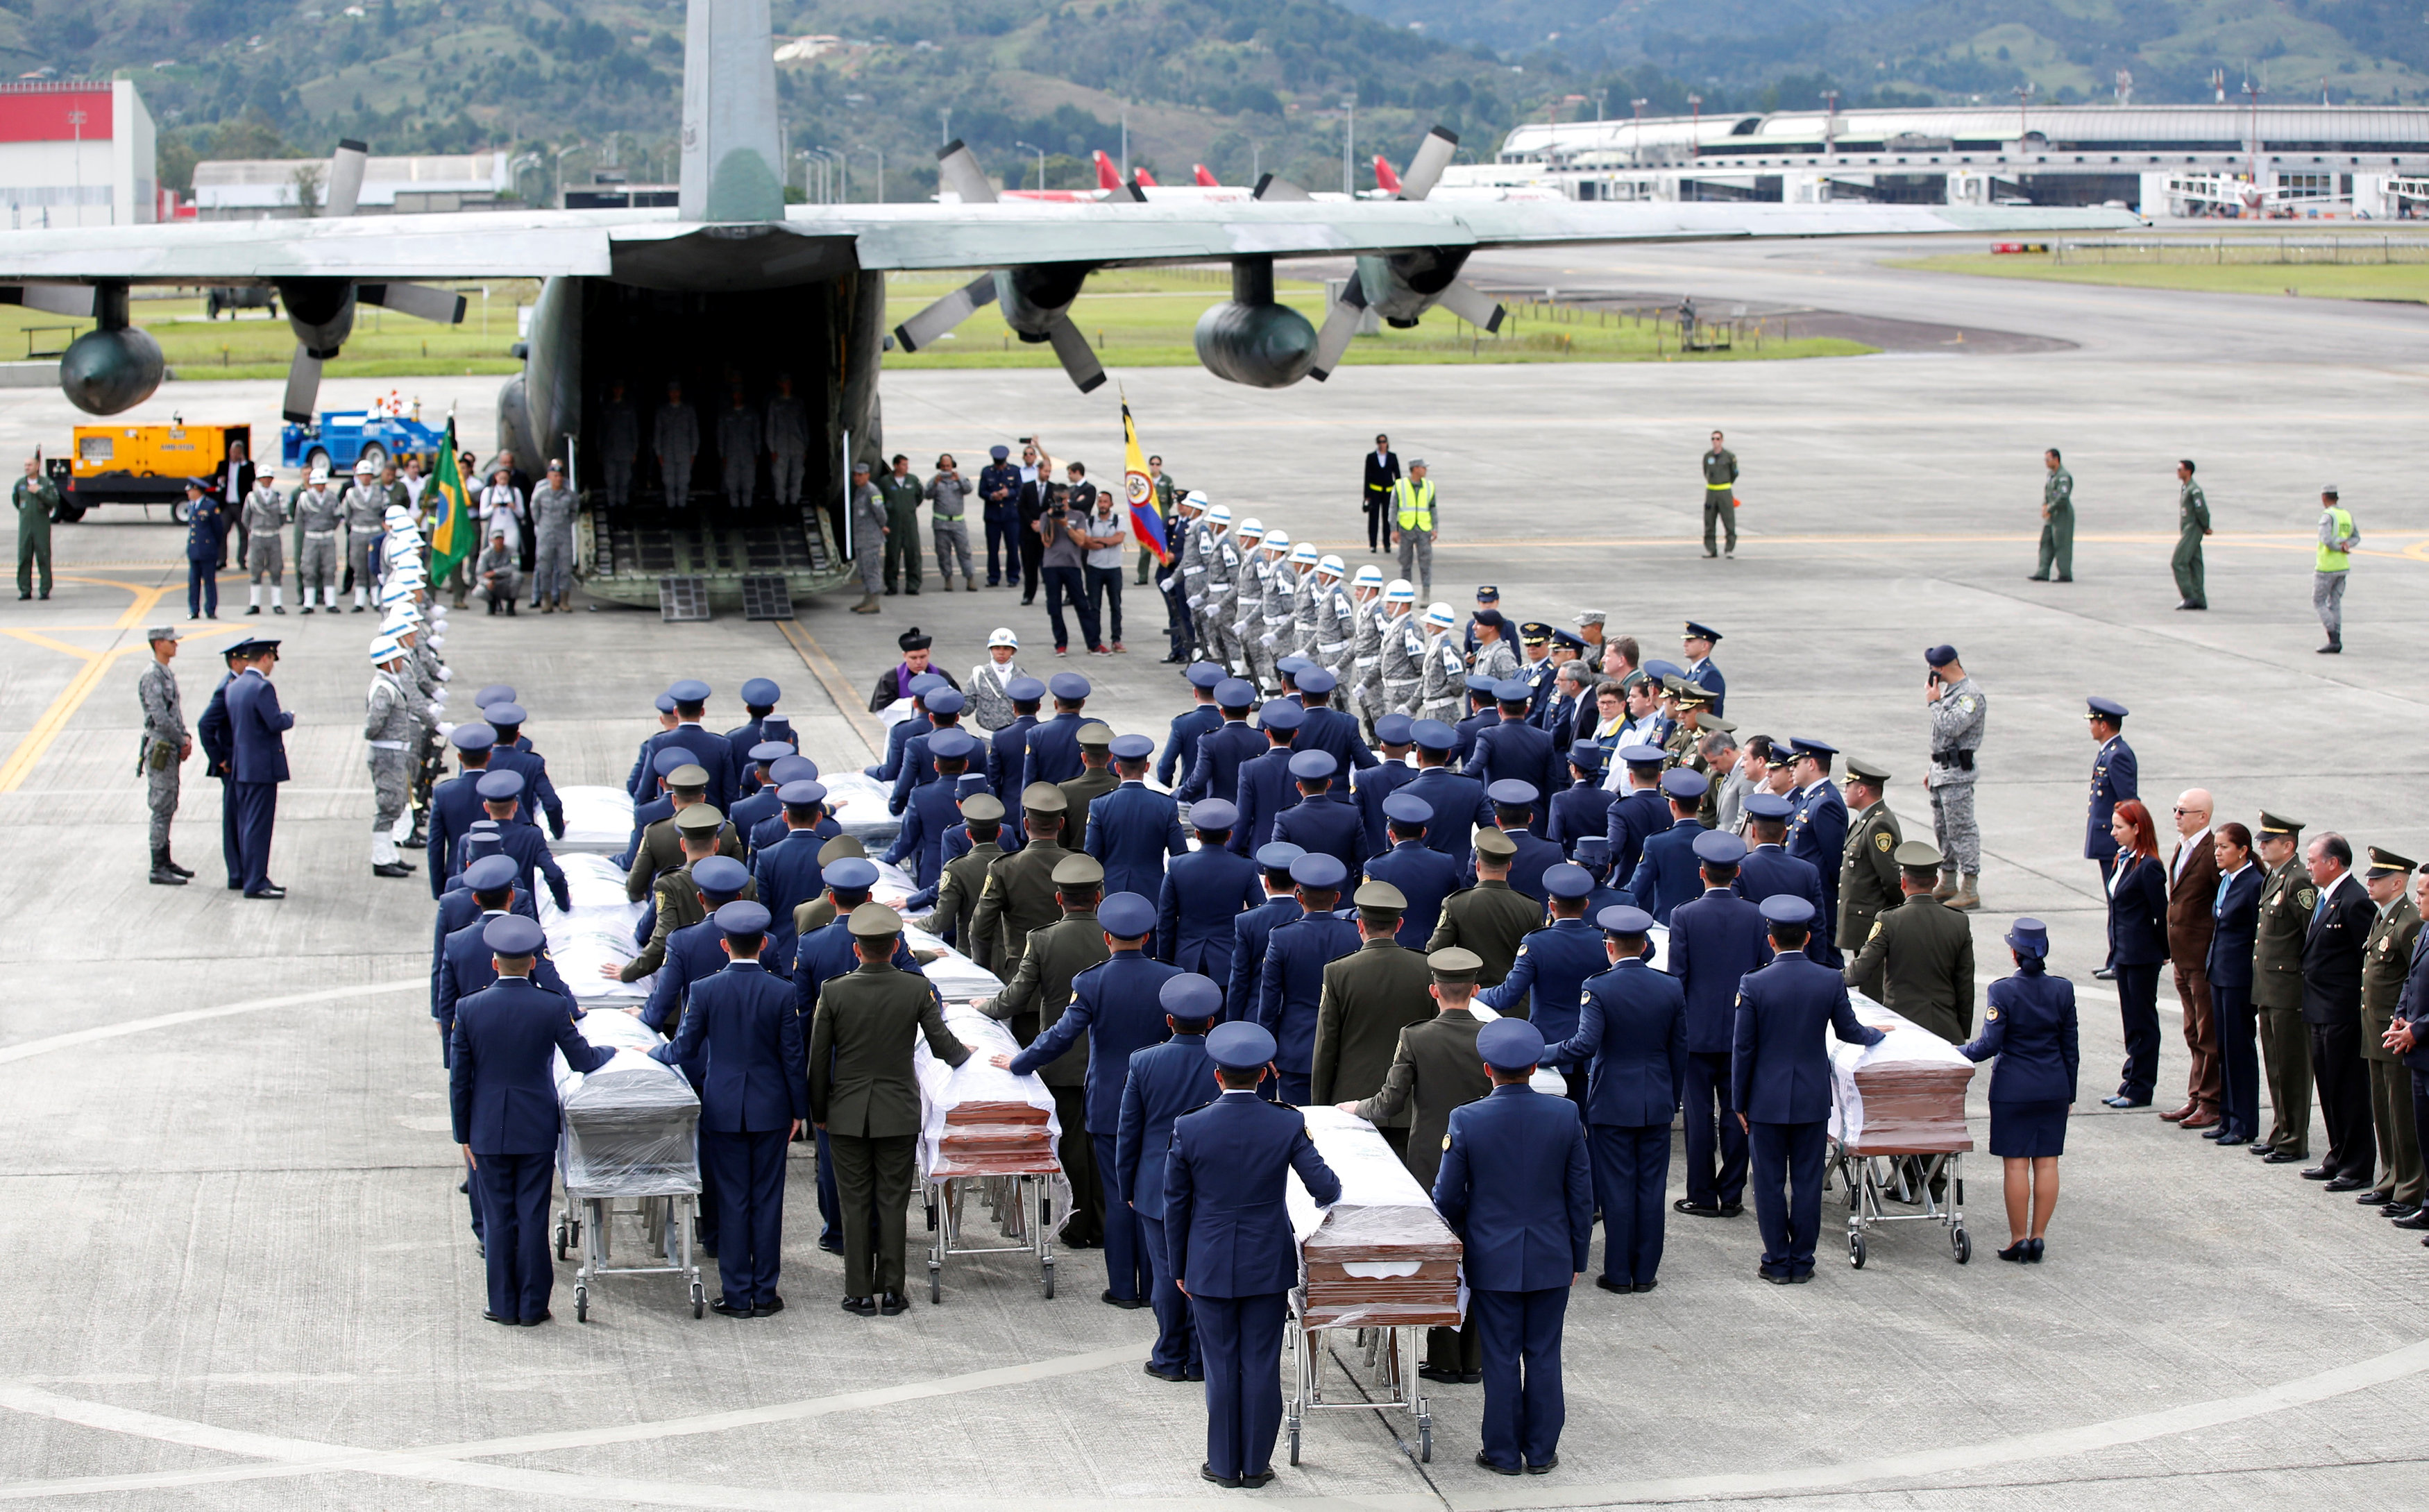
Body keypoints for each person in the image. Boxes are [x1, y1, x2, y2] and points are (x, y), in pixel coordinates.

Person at [1164, 1021, 1341, 1488]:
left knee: (1220, 1364)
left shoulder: (1189, 1125)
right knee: (1261, 1364)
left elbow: (1175, 1204)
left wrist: (1178, 1266)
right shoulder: (1285, 1121)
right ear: (1264, 1074)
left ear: (1217, 1075)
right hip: (1267, 1260)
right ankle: (1257, 1465)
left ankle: (1223, 1465)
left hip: (1209, 1260)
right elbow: (1325, 1186)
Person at [1432, 1017, 1592, 1477]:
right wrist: (1577, 1256)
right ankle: (1541, 1451)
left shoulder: (1467, 1119)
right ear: (1535, 1066)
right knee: (1543, 1352)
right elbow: (1581, 1196)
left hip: (1492, 1256)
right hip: (1550, 1255)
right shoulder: (1564, 1115)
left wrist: (1467, 1237)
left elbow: (1446, 1197)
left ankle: (1501, 1452)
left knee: (1500, 1355)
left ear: (1488, 1069)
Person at [1338, 937, 1490, 1379]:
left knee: (1443, 1253)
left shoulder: (1416, 1037)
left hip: (1432, 1160)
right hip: (1484, 1158)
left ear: (1434, 990)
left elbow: (1387, 1104)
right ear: (1476, 990)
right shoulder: (1490, 1038)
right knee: (1479, 1253)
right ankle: (1473, 1359)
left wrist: (1354, 1108)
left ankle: (1443, 1355)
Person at [451, 915, 613, 1325]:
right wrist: (611, 1051)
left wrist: (462, 1135)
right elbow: (584, 1059)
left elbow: (460, 1080)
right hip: (535, 1127)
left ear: (494, 963)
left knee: (498, 1218)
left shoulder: (468, 1008)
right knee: (532, 1214)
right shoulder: (551, 1005)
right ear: (532, 963)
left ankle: (502, 1306)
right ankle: (533, 1305)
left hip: (487, 1128)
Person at [810, 903, 972, 1314]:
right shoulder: (915, 988)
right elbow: (943, 1046)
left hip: (845, 1112)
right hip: (897, 1110)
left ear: (856, 950)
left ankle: (859, 1291)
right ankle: (894, 1290)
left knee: (855, 1203)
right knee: (893, 1201)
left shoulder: (834, 990)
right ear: (896, 945)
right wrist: (966, 1054)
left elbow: (817, 1062)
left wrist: (818, 1112)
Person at [650, 901, 802, 1316]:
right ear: (764, 944)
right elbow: (792, 1057)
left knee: (733, 1200)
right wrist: (798, 1110)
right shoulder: (782, 991)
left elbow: (683, 1048)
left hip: (723, 1107)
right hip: (771, 1108)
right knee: (767, 1200)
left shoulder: (705, 989)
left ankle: (736, 1294)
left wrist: (652, 1052)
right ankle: (765, 1291)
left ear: (724, 944)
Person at [1734, 896, 1885, 1282]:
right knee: (1806, 1182)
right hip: (1811, 1097)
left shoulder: (1754, 983)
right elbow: (1850, 1031)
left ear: (1771, 940)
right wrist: (1877, 1036)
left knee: (1768, 1183)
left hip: (1764, 1099)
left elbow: (1744, 1049)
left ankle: (1777, 1260)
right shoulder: (1829, 978)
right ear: (1806, 938)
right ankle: (1802, 1261)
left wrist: (1739, 1101)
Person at [985, 854, 1112, 1245]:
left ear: (1059, 899)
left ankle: (1076, 1225)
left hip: (1062, 1060)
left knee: (1071, 1144)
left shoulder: (1042, 939)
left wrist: (983, 1007)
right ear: (1100, 896)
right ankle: (1107, 1225)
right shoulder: (1116, 936)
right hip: (1106, 1062)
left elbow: (1016, 997)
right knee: (1106, 1145)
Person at [1117, 975, 1221, 1382]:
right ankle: (1198, 1360)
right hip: (1209, 1185)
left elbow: (1130, 1132)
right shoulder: (1224, 1063)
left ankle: (1168, 1356)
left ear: (1169, 1019)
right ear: (1211, 1022)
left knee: (1165, 1273)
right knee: (1200, 1273)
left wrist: (1128, 1186)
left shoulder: (1143, 1062)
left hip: (1155, 1184)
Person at [1956, 918, 2079, 1262]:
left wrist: (1955, 1053)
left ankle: (2017, 1238)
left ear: (2014, 953)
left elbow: (1987, 1045)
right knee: (2047, 1162)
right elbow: (2071, 1048)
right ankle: (2038, 1236)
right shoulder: (2063, 990)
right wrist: (2069, 1091)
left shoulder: (2003, 990)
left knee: (2015, 1166)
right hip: (2054, 1085)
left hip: (2013, 1088)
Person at [1663, 837, 1764, 1219]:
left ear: (1701, 872)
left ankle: (1702, 1194)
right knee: (1737, 1111)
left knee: (1699, 1116)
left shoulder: (1685, 915)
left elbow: (1678, 978)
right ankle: (1732, 1192)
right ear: (1737, 873)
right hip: (1743, 1033)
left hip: (1697, 1032)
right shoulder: (1757, 916)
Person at [1844, 839, 1977, 1044]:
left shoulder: (1889, 920)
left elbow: (1858, 973)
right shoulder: (1959, 921)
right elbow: (1965, 984)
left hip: (1902, 1028)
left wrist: (1825, 979)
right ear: (1935, 882)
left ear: (1903, 883)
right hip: (1945, 1029)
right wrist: (1961, 1031)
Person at [2301, 832, 2378, 1189]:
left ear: (2333, 863)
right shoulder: (2326, 898)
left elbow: (2369, 960)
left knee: (2349, 1090)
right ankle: (2337, 1155)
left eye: (2313, 860)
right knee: (2329, 1088)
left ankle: (2357, 1165)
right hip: (2319, 1010)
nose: (2308, 866)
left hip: (2342, 1013)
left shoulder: (2354, 901)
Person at [2360, 849, 2423, 1218]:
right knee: (2383, 1111)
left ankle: (2411, 1187)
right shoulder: (2384, 917)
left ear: (2398, 883)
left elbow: (2412, 981)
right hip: (2378, 1029)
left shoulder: (2410, 922)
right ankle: (2390, 1180)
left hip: (2397, 1032)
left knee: (2401, 1113)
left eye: (2377, 879)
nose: (2370, 883)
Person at [2251, 811, 2315, 1164]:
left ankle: (2294, 1139)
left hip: (2289, 990)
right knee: (2276, 1065)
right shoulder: (2275, 877)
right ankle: (2281, 1131)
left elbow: (2312, 936)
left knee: (2292, 1068)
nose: (2262, 845)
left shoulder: (2298, 881)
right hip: (2270, 988)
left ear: (2288, 845)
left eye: (2268, 841)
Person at [2099, 801, 2169, 1109]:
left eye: (2120, 827)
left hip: (2142, 955)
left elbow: (2161, 912)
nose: (2113, 832)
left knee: (2143, 1022)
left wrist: (2163, 951)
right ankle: (2129, 1079)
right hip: (2124, 954)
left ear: (2137, 829)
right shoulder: (2123, 860)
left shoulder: (2149, 866)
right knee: (2131, 1021)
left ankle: (2141, 1087)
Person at [2163, 790, 2222, 1130]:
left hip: (2202, 959)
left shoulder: (2212, 852)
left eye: (2183, 811)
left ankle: (2211, 1101)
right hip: (2182, 958)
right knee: (2191, 1030)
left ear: (2203, 817)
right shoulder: (2184, 847)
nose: (2176, 816)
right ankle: (2197, 1095)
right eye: (2176, 810)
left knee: (2207, 1032)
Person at [2208, 822, 2265, 1148]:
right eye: (2216, 847)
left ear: (2242, 850)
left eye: (2224, 847)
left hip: (2239, 978)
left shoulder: (2252, 883)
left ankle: (2244, 1122)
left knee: (2240, 1048)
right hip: (2219, 973)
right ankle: (2228, 1116)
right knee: (2225, 1049)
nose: (2217, 852)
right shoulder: (2227, 881)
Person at [224, 637, 293, 899]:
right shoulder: (262, 688)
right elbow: (274, 722)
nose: (272, 666)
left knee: (247, 824)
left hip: (243, 767)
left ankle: (250, 875)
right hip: (261, 767)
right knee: (258, 826)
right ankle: (256, 882)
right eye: (272, 660)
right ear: (265, 658)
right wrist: (290, 717)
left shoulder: (235, 686)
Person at [1922, 645, 1986, 908]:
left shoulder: (1970, 695)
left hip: (1958, 775)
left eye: (1934, 669)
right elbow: (1942, 739)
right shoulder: (1951, 693)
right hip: (1943, 773)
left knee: (1961, 830)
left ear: (1943, 668)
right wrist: (1933, 770)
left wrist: (1934, 703)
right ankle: (1947, 881)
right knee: (1943, 830)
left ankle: (1969, 887)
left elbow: (1952, 726)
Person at [1087, 734, 1187, 898]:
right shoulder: (1166, 805)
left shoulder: (1100, 805)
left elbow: (1092, 856)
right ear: (1147, 767)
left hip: (1111, 892)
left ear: (1118, 768)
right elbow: (1179, 856)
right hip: (1152, 892)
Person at [364, 636, 431, 879]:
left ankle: (390, 855)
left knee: (396, 802)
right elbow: (373, 724)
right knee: (388, 806)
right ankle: (381, 859)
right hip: (387, 754)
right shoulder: (383, 688)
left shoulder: (390, 684)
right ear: (387, 663)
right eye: (397, 660)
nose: (401, 663)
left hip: (393, 753)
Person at [136, 626, 194, 885]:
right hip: (161, 747)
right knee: (161, 804)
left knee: (170, 801)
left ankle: (166, 859)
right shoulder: (152, 676)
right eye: (171, 642)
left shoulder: (165, 673)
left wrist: (185, 736)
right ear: (158, 644)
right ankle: (158, 865)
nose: (176, 645)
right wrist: (180, 739)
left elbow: (174, 713)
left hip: (170, 745)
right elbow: (159, 717)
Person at [1837, 758, 1902, 949]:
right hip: (1862, 923)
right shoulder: (1865, 820)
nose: (1845, 791)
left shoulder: (1878, 825)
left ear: (1861, 790)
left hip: (1871, 923)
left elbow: (1891, 878)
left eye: (1848, 786)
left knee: (1872, 979)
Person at [2083, 696, 2138, 912]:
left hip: (2114, 840)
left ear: (2103, 725)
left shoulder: (2118, 755)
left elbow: (2129, 802)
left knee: (2118, 901)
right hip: (2108, 839)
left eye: (2092, 722)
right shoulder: (2109, 751)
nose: (2090, 727)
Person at [1038, 480, 1100, 654]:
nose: (1062, 503)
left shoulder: (1078, 516)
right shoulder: (1045, 517)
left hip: (1072, 565)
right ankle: (1061, 643)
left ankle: (1093, 643)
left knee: (1082, 604)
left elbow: (1081, 541)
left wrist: (1065, 525)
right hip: (1051, 566)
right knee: (1054, 606)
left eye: (1064, 499)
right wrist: (1052, 519)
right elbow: (1047, 542)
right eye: (1059, 499)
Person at [1081, 482, 1128, 653]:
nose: (1102, 505)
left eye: (1105, 502)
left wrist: (1098, 541)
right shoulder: (1090, 521)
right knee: (1094, 606)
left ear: (1111, 504)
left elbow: (1118, 539)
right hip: (1095, 568)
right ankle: (1095, 641)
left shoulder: (1119, 520)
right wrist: (1107, 542)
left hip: (1114, 568)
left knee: (1116, 605)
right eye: (1100, 502)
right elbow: (1086, 542)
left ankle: (1116, 639)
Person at [528, 459, 578, 613]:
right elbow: (534, 511)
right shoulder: (541, 494)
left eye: (559, 476)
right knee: (544, 567)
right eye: (554, 475)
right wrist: (543, 525)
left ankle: (564, 601)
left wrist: (566, 524)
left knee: (564, 568)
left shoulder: (570, 495)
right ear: (549, 477)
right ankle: (547, 600)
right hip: (546, 534)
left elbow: (574, 512)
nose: (558, 479)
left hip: (563, 534)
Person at [2314, 484, 2358, 653]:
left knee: (2318, 601)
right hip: (2342, 566)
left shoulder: (2327, 516)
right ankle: (2336, 636)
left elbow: (2326, 540)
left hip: (2326, 567)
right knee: (2335, 602)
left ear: (2324, 497)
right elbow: (2356, 537)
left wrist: (2338, 547)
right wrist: (2347, 545)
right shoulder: (2346, 515)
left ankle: (2333, 638)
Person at [926, 453, 977, 592]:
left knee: (964, 552)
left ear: (953, 466)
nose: (945, 469)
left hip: (958, 524)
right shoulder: (935, 480)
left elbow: (969, 489)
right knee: (943, 553)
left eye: (948, 466)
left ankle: (970, 578)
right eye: (943, 466)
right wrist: (935, 484)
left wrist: (959, 480)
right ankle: (947, 578)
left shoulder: (960, 478)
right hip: (941, 524)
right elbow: (927, 495)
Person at [240, 466, 288, 613]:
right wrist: (255, 530)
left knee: (276, 569)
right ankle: (254, 603)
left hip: (273, 535)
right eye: (264, 478)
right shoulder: (252, 497)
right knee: (255, 569)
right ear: (259, 480)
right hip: (258, 536)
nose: (267, 481)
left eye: (269, 478)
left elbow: (283, 518)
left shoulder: (278, 496)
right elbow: (245, 518)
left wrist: (273, 527)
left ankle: (277, 603)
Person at [1388, 459, 1437, 600]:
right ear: (1415, 469)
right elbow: (1393, 509)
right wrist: (1394, 529)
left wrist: (1435, 528)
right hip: (1406, 529)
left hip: (1424, 529)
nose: (1425, 470)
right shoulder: (1400, 485)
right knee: (1405, 563)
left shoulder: (1429, 486)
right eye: (1423, 468)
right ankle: (1405, 592)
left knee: (1426, 562)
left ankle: (1426, 593)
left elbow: (1433, 508)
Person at [2169, 458, 2212, 611]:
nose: (2178, 472)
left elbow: (2201, 509)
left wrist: (2206, 526)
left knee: (2178, 561)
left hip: (2193, 529)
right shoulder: (2185, 488)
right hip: (2188, 528)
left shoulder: (2194, 490)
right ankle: (2199, 599)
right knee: (2195, 564)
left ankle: (2189, 596)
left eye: (2180, 469)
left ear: (2188, 471)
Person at [764, 373, 810, 513]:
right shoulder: (775, 404)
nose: (787, 385)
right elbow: (770, 427)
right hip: (780, 448)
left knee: (796, 479)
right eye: (784, 382)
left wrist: (805, 447)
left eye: (788, 382)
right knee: (780, 480)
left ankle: (794, 506)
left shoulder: (798, 403)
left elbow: (804, 426)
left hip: (797, 447)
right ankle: (781, 508)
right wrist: (772, 448)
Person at [12, 455, 57, 600]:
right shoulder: (20, 484)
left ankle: (45, 589)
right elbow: (16, 501)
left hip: (41, 526)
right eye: (25, 465)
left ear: (37, 466)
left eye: (30, 465)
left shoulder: (47, 483)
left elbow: (54, 502)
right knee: (24, 557)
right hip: (26, 527)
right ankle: (25, 590)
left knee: (43, 556)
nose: (27, 468)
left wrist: (39, 492)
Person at [978, 443, 1022, 588]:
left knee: (1012, 547)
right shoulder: (987, 472)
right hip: (993, 516)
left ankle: (1013, 576)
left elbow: (1019, 489)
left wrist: (1008, 493)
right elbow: (982, 491)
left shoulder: (1014, 471)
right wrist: (992, 496)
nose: (999, 467)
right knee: (993, 548)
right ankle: (993, 577)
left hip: (1011, 516)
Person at [182, 479, 228, 620]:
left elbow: (218, 530)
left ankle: (211, 609)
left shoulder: (210, 506)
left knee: (209, 581)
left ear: (197, 491)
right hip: (194, 550)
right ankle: (194, 609)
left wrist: (213, 546)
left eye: (190, 490)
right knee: (194, 582)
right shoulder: (191, 506)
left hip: (207, 550)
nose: (188, 493)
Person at [2030, 446, 2074, 583]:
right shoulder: (2051, 476)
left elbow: (2063, 497)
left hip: (2062, 515)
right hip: (2051, 514)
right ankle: (2043, 571)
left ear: (2056, 460)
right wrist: (2045, 505)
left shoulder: (2063, 476)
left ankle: (2065, 574)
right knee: (2046, 542)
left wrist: (2050, 508)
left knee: (2062, 544)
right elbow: (2047, 492)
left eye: (2048, 460)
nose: (2046, 463)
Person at [847, 460, 884, 613]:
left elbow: (881, 514)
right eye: (855, 475)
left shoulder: (872, 491)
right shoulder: (860, 491)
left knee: (871, 569)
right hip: (861, 538)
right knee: (863, 570)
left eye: (860, 475)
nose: (857, 478)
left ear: (867, 475)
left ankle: (874, 602)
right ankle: (867, 599)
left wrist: (882, 527)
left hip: (870, 538)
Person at [654, 380, 697, 507]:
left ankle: (681, 513)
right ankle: (672, 513)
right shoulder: (663, 412)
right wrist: (659, 453)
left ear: (680, 393)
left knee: (683, 483)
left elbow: (694, 433)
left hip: (684, 453)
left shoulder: (688, 411)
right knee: (669, 484)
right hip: (668, 453)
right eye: (672, 392)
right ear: (669, 393)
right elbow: (658, 433)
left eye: (676, 391)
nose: (674, 394)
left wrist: (693, 452)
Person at [1700, 429, 1737, 560]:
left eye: (1717, 439)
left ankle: (1729, 549)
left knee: (1729, 521)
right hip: (1711, 492)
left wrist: (1725, 484)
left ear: (1722, 441)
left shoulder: (1729, 457)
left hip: (1724, 492)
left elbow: (1734, 473)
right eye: (1713, 439)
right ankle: (1711, 549)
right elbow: (1706, 472)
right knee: (1709, 521)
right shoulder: (1707, 456)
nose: (1715, 442)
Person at [1362, 433, 1400, 554]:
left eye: (1384, 442)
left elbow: (1397, 476)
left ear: (1387, 443)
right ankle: (1373, 544)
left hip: (1389, 492)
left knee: (1387, 519)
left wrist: (1399, 492)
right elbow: (1367, 476)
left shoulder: (1393, 457)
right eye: (1379, 442)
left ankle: (1387, 544)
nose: (1382, 444)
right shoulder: (1371, 457)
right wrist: (1367, 496)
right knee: (1374, 519)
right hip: (1374, 492)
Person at [476, 525, 521, 615]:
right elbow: (480, 574)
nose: (499, 541)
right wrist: (487, 583)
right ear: (491, 540)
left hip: (506, 581)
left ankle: (511, 605)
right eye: (497, 539)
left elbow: (515, 567)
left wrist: (495, 572)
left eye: (501, 539)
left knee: (518, 576)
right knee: (479, 592)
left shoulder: (512, 552)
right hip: (493, 583)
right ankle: (492, 603)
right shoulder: (485, 554)